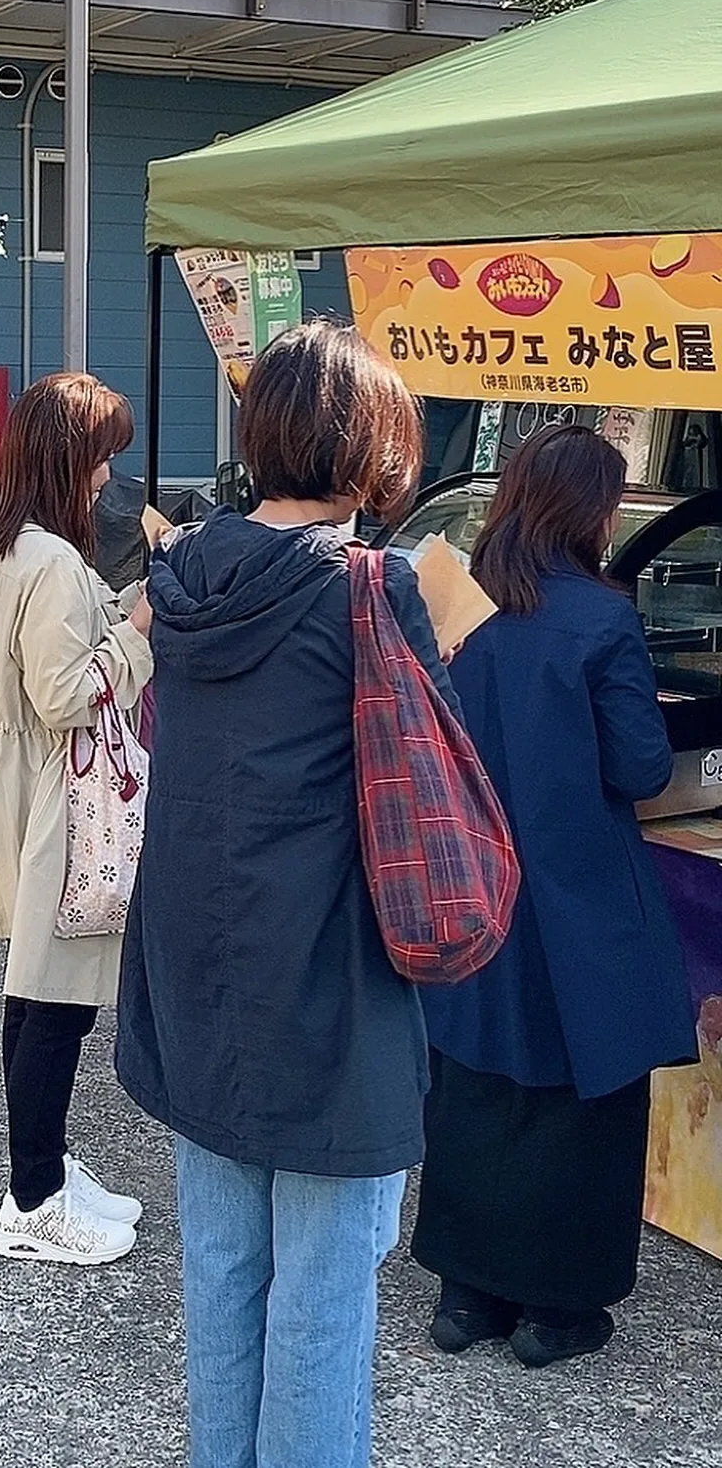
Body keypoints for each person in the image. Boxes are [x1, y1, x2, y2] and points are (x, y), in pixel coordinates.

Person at [117, 321, 451, 1468]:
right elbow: (433, 782)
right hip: (330, 983)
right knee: (323, 1292)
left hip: (198, 966)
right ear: (372, 447)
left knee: (221, 1272)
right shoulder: (367, 591)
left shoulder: (185, 578)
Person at [412, 425, 695, 1369]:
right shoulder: (602, 620)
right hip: (578, 901)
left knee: (477, 1081)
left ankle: (466, 1296)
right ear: (592, 512)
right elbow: (644, 766)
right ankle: (558, 1312)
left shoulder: (458, 603)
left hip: (472, 888)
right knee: (580, 1097)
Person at [0, 372, 154, 1266]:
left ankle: (44, 1170)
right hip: (57, 794)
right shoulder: (53, 561)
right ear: (70, 458)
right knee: (56, 1000)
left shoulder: (9, 545)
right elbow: (69, 692)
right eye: (103, 454)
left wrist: (103, 616)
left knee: (32, 986)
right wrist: (138, 627)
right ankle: (33, 1198)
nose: (109, 476)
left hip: (17, 778)